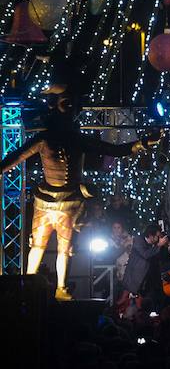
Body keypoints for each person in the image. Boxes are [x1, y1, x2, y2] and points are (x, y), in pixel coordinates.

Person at [0, 72, 160, 300]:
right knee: (37, 246)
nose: (70, 111)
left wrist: (141, 144)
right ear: (54, 108)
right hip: (45, 202)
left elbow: (114, 150)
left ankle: (61, 288)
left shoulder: (77, 139)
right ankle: (28, 284)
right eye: (66, 105)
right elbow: (14, 158)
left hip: (69, 204)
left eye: (73, 107)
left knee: (65, 249)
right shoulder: (44, 140)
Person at [121, 224, 170, 309]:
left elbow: (166, 257)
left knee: (156, 303)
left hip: (152, 281)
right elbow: (146, 254)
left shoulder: (157, 245)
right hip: (137, 281)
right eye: (157, 236)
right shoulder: (139, 240)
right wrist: (159, 245)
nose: (159, 238)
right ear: (150, 235)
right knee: (134, 306)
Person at [111, 220, 134, 285]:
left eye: (118, 227)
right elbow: (113, 254)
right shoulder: (109, 239)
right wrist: (123, 246)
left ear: (122, 228)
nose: (116, 230)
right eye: (114, 228)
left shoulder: (128, 238)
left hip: (129, 265)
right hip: (116, 267)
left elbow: (131, 250)